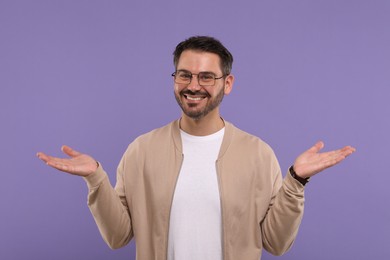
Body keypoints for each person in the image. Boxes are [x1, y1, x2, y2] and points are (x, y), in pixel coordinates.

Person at [37, 36, 355, 260]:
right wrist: (95, 178)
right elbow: (118, 236)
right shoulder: (142, 150)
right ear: (175, 79)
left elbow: (277, 243)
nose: (193, 86)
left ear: (226, 84)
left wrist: (296, 181)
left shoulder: (258, 153)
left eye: (206, 77)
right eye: (185, 75)